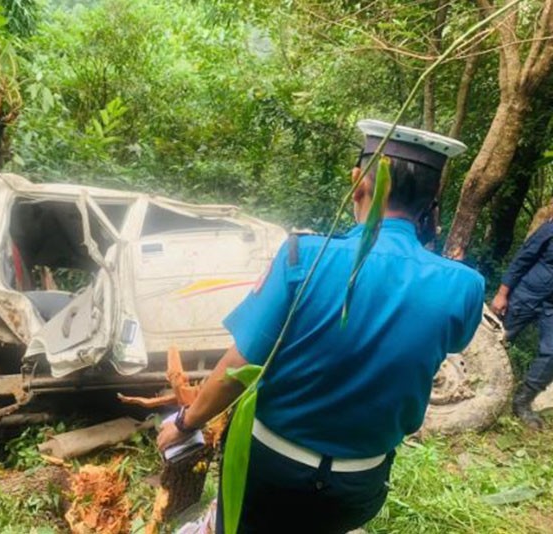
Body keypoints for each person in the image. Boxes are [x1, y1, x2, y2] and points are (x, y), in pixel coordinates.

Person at [157, 119, 485, 533]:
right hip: (359, 485)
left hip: (268, 472)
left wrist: (185, 422)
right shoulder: (464, 286)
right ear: (433, 199)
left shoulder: (304, 258)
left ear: (358, 182)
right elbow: (448, 342)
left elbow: (239, 366)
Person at [490, 220, 553, 429]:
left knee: (551, 352)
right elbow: (523, 258)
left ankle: (522, 402)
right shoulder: (550, 228)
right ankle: (480, 386)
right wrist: (502, 294)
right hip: (526, 295)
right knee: (496, 339)